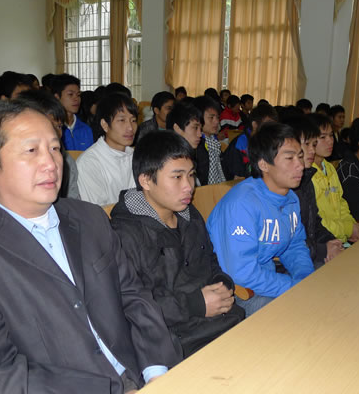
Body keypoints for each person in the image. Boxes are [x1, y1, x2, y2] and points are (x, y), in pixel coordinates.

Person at [0, 98, 181, 393]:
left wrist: (156, 372)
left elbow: (135, 298)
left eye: (55, 148)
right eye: (31, 151)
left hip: (144, 373)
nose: (51, 164)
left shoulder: (90, 218)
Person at [110, 130, 244, 358]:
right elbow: (132, 307)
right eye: (177, 177)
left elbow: (210, 260)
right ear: (146, 180)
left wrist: (221, 283)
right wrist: (196, 304)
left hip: (222, 323)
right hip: (177, 342)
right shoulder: (124, 234)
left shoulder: (189, 214)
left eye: (191, 175)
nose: (189, 186)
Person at [207, 122, 315, 316]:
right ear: (264, 164)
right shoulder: (242, 204)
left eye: (300, 156)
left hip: (265, 278)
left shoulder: (290, 198)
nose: (300, 165)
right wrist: (292, 286)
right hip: (235, 290)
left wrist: (305, 278)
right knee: (296, 313)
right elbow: (241, 272)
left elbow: (294, 246)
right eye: (289, 158)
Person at [0, 89, 81, 212]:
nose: (51, 165)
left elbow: (73, 208)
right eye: (31, 150)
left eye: (58, 126)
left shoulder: (65, 161)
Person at [285, 115, 344, 267]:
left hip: (311, 252)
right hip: (293, 262)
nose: (312, 150)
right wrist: (325, 249)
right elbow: (289, 244)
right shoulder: (285, 186)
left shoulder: (306, 179)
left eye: (314, 144)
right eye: (307, 144)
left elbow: (315, 222)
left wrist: (331, 241)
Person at [307, 114, 359, 244]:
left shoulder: (330, 168)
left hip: (340, 237)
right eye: (323, 137)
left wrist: (352, 225)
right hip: (323, 241)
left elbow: (341, 203)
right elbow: (317, 220)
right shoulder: (306, 174)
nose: (330, 140)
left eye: (331, 135)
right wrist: (348, 229)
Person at [77, 93, 137, 206]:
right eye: (122, 120)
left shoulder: (137, 156)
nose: (130, 128)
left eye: (133, 120)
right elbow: (96, 211)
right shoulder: (89, 163)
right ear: (105, 125)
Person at [221, 102, 278, 180]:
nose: (271, 130)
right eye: (267, 126)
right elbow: (238, 179)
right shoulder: (240, 144)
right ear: (255, 125)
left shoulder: (270, 142)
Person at [51, 74, 93, 151]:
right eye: (70, 94)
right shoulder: (51, 128)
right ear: (57, 97)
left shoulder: (86, 129)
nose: (76, 99)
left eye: (78, 95)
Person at [192, 96, 226, 185]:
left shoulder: (214, 142)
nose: (216, 122)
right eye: (211, 117)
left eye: (217, 117)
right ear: (198, 118)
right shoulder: (196, 145)